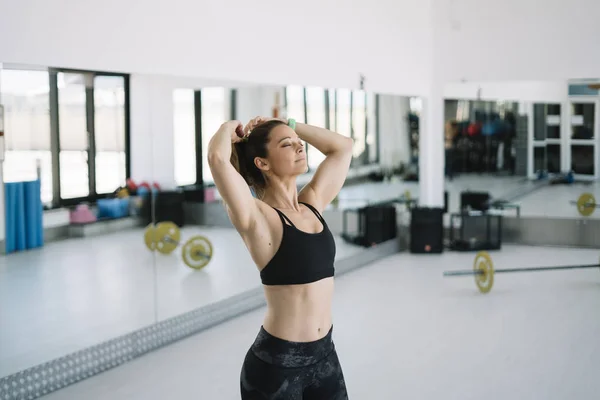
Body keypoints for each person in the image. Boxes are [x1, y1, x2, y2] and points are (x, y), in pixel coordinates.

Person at [207, 116, 353, 399]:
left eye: (299, 144)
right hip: (276, 367)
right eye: (287, 145)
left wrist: (290, 124)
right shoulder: (257, 217)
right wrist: (230, 129)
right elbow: (216, 157)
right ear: (262, 163)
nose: (300, 148)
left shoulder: (312, 204)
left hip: (325, 356)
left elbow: (342, 147)